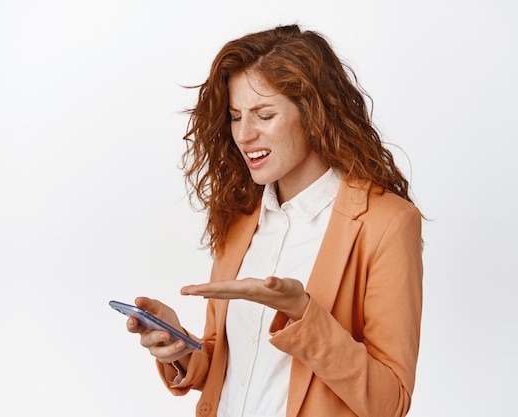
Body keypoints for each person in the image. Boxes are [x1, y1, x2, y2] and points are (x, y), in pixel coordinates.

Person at [126, 24, 423, 417]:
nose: (244, 135)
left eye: (264, 115)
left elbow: (390, 403)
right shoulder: (241, 218)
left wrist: (302, 312)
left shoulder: (386, 223)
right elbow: (234, 366)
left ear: (314, 114)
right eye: (235, 116)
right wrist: (180, 346)